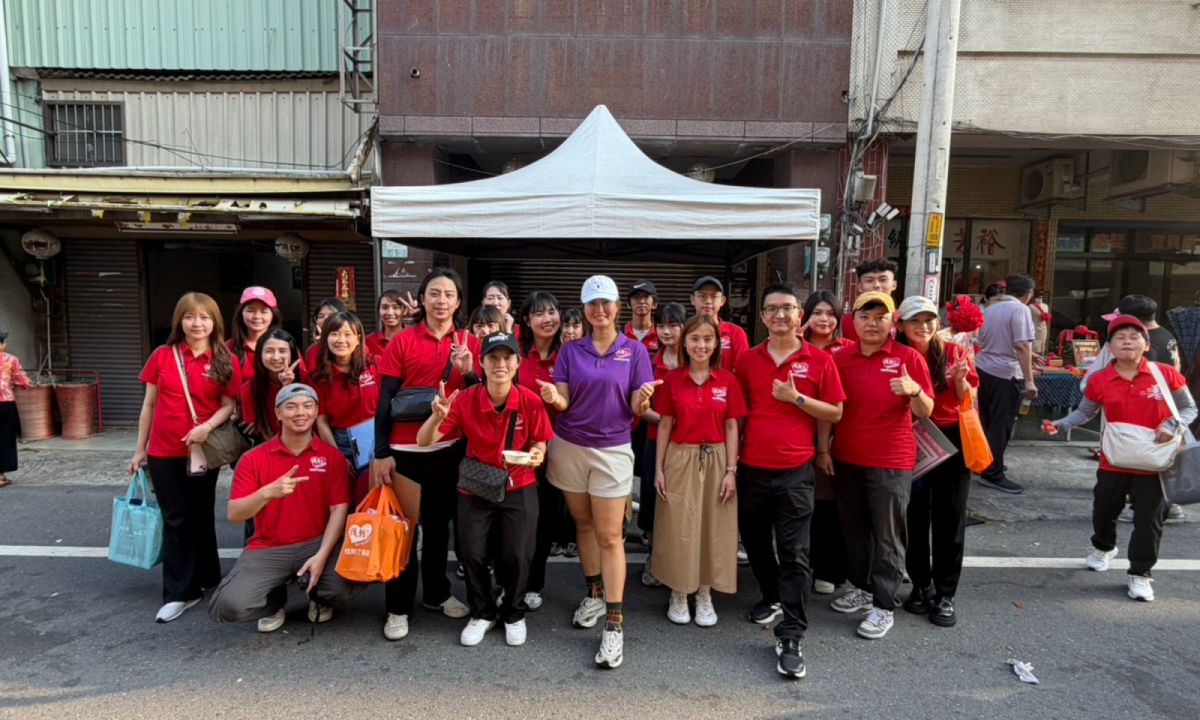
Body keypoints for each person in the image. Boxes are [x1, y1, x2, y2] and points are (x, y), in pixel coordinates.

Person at [538, 275, 655, 669]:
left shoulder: (635, 351)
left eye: (606, 303)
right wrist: (553, 397)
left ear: (617, 307)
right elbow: (564, 400)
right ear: (585, 309)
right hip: (570, 446)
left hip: (612, 450)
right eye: (592, 303)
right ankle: (594, 594)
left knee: (610, 535)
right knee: (584, 525)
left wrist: (644, 399)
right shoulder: (571, 351)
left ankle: (615, 623)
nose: (599, 310)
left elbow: (637, 407)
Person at [1043, 314, 1197, 602]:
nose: (1127, 342)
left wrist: (1172, 424)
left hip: (1156, 463)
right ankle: (1103, 547)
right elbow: (1085, 412)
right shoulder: (1100, 379)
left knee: (1149, 520)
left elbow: (1189, 409)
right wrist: (1060, 425)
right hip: (1114, 459)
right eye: (1120, 337)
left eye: (1134, 337)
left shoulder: (1165, 374)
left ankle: (1141, 574)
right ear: (1110, 347)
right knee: (1103, 510)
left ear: (1146, 344)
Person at [735, 283, 845, 679]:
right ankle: (771, 594)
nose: (780, 315)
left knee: (795, 552)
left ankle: (792, 633)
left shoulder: (819, 360)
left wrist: (796, 398)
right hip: (751, 468)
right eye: (772, 309)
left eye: (788, 308)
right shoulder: (747, 360)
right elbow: (738, 415)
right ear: (763, 317)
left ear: (800, 315)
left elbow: (834, 412)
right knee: (754, 541)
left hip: (795, 471)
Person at [418, 332, 553, 647]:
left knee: (518, 554)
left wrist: (537, 454)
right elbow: (424, 441)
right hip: (476, 487)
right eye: (493, 357)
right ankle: (482, 612)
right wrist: (436, 418)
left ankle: (513, 612)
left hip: (519, 483)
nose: (500, 364)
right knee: (472, 553)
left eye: (507, 358)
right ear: (481, 362)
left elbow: (540, 441)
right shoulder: (466, 399)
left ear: (518, 363)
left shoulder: (530, 401)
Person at [370, 269, 479, 641]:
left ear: (458, 301)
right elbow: (385, 399)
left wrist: (469, 371)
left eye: (449, 294)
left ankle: (436, 593)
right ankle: (398, 607)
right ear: (421, 299)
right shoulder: (402, 340)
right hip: (405, 453)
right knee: (402, 532)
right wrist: (381, 452)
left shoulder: (468, 342)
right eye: (434, 293)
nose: (441, 300)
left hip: (449, 450)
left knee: (437, 528)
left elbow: (478, 397)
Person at [823, 291, 934, 641]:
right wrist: (823, 449)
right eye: (865, 317)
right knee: (854, 530)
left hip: (891, 460)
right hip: (847, 457)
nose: (872, 324)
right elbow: (830, 407)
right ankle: (862, 588)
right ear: (853, 321)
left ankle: (884, 605)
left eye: (879, 317)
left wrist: (914, 391)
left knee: (888, 535)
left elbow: (926, 411)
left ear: (892, 322)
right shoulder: (840, 358)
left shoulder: (908, 358)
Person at [209, 384, 363, 631]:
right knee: (229, 606)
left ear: (316, 412)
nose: (300, 413)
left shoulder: (332, 457)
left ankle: (317, 595)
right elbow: (235, 513)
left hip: (316, 542)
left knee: (341, 588)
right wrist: (267, 493)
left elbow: (339, 509)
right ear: (278, 413)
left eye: (307, 406)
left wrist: (321, 556)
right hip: (269, 547)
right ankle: (275, 598)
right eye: (291, 407)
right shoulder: (253, 458)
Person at [129, 292, 241, 623]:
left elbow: (229, 405)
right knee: (176, 518)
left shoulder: (224, 359)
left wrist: (206, 427)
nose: (197, 323)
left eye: (204, 317)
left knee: (201, 513)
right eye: (190, 316)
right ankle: (180, 592)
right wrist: (140, 448)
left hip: (203, 450)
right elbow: (149, 404)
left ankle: (207, 575)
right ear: (179, 321)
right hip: (163, 451)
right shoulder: (162, 356)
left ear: (215, 322)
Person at [652, 313, 746, 628]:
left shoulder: (727, 380)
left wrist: (731, 470)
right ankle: (679, 591)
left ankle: (704, 592)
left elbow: (732, 426)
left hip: (718, 457)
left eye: (708, 339)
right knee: (679, 524)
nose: (701, 345)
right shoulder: (673, 379)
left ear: (716, 343)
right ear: (684, 343)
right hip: (681, 455)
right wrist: (659, 468)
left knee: (713, 525)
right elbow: (665, 425)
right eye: (694, 339)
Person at [895, 296, 978, 627]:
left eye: (928, 319)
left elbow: (967, 397)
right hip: (910, 439)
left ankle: (945, 593)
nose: (923, 326)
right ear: (901, 325)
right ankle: (920, 585)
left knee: (950, 516)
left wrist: (959, 379)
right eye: (914, 321)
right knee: (913, 515)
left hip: (950, 441)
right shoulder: (896, 354)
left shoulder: (955, 352)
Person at [1094, 295, 1187, 523]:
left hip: (1153, 416)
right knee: (1160, 463)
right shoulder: (1166, 335)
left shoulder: (1146, 347)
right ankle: (1168, 506)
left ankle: (1146, 508)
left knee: (1144, 462)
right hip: (1167, 412)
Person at [516, 291, 573, 610]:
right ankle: (511, 580)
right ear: (527, 320)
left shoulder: (569, 355)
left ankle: (533, 584)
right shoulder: (516, 354)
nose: (548, 319)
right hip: (518, 451)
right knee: (517, 519)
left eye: (552, 311)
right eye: (539, 313)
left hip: (557, 450)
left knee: (543, 521)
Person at [800, 290, 852, 595]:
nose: (824, 319)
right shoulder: (793, 346)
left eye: (831, 314)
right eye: (817, 313)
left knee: (831, 504)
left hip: (840, 435)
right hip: (798, 434)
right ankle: (800, 564)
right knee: (799, 505)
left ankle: (828, 568)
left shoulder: (847, 349)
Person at [974, 273, 1038, 495]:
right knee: (1001, 425)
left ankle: (987, 463)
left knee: (987, 422)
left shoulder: (990, 308)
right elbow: (1021, 345)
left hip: (983, 368)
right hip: (1006, 373)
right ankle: (993, 472)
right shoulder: (1020, 309)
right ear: (1028, 294)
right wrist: (1029, 380)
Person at [636, 302, 686, 587]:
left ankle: (680, 562)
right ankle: (654, 558)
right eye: (662, 326)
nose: (667, 331)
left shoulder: (694, 359)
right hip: (656, 441)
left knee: (681, 503)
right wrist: (667, 421)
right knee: (653, 499)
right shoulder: (649, 361)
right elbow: (641, 407)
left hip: (688, 444)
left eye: (673, 325)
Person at [310, 312, 379, 486]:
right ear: (325, 338)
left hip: (377, 438)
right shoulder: (318, 378)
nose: (341, 340)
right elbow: (321, 421)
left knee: (377, 494)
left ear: (358, 339)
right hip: (342, 442)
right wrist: (337, 456)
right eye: (334, 334)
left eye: (348, 334)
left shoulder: (374, 365)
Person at [239, 330, 302, 443]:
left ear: (292, 354)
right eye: (269, 351)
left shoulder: (306, 381)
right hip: (270, 445)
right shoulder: (249, 388)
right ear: (260, 354)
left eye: (282, 351)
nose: (276, 357)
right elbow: (258, 430)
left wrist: (287, 388)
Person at [691, 276, 749, 371]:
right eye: (702, 296)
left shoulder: (736, 333)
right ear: (692, 300)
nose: (708, 301)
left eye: (714, 297)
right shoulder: (685, 331)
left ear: (722, 301)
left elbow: (743, 369)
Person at [228, 286, 282, 381]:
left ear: (273, 315)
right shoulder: (227, 348)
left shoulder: (285, 346)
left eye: (264, 311)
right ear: (241, 313)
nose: (257, 316)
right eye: (250, 310)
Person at [0, 329, 31, 488]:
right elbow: (23, 381)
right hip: (5, 404)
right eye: (4, 341)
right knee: (5, 438)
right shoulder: (10, 360)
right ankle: (0, 476)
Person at [841, 260, 898, 343]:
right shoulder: (844, 322)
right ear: (860, 286)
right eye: (869, 280)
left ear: (894, 285)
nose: (876, 285)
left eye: (883, 280)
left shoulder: (904, 320)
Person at [366, 290, 417, 358]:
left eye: (395, 307)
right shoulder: (369, 342)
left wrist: (420, 315)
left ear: (405, 311)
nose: (390, 313)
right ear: (378, 311)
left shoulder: (415, 338)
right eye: (384, 307)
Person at [305, 298, 349, 370]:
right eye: (321, 316)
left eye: (331, 315)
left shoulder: (351, 345)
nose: (326, 319)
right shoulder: (312, 351)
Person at [624, 280, 661, 355]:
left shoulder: (661, 335)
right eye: (636, 297)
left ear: (654, 304)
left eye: (646, 297)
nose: (641, 301)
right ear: (628, 304)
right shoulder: (620, 335)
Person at [1030, 292, 1051, 356]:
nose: (1040, 298)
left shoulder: (1046, 306)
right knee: (1034, 345)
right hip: (1034, 328)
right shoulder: (1030, 306)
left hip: (1043, 328)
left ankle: (1041, 356)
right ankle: (1033, 357)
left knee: (1042, 344)